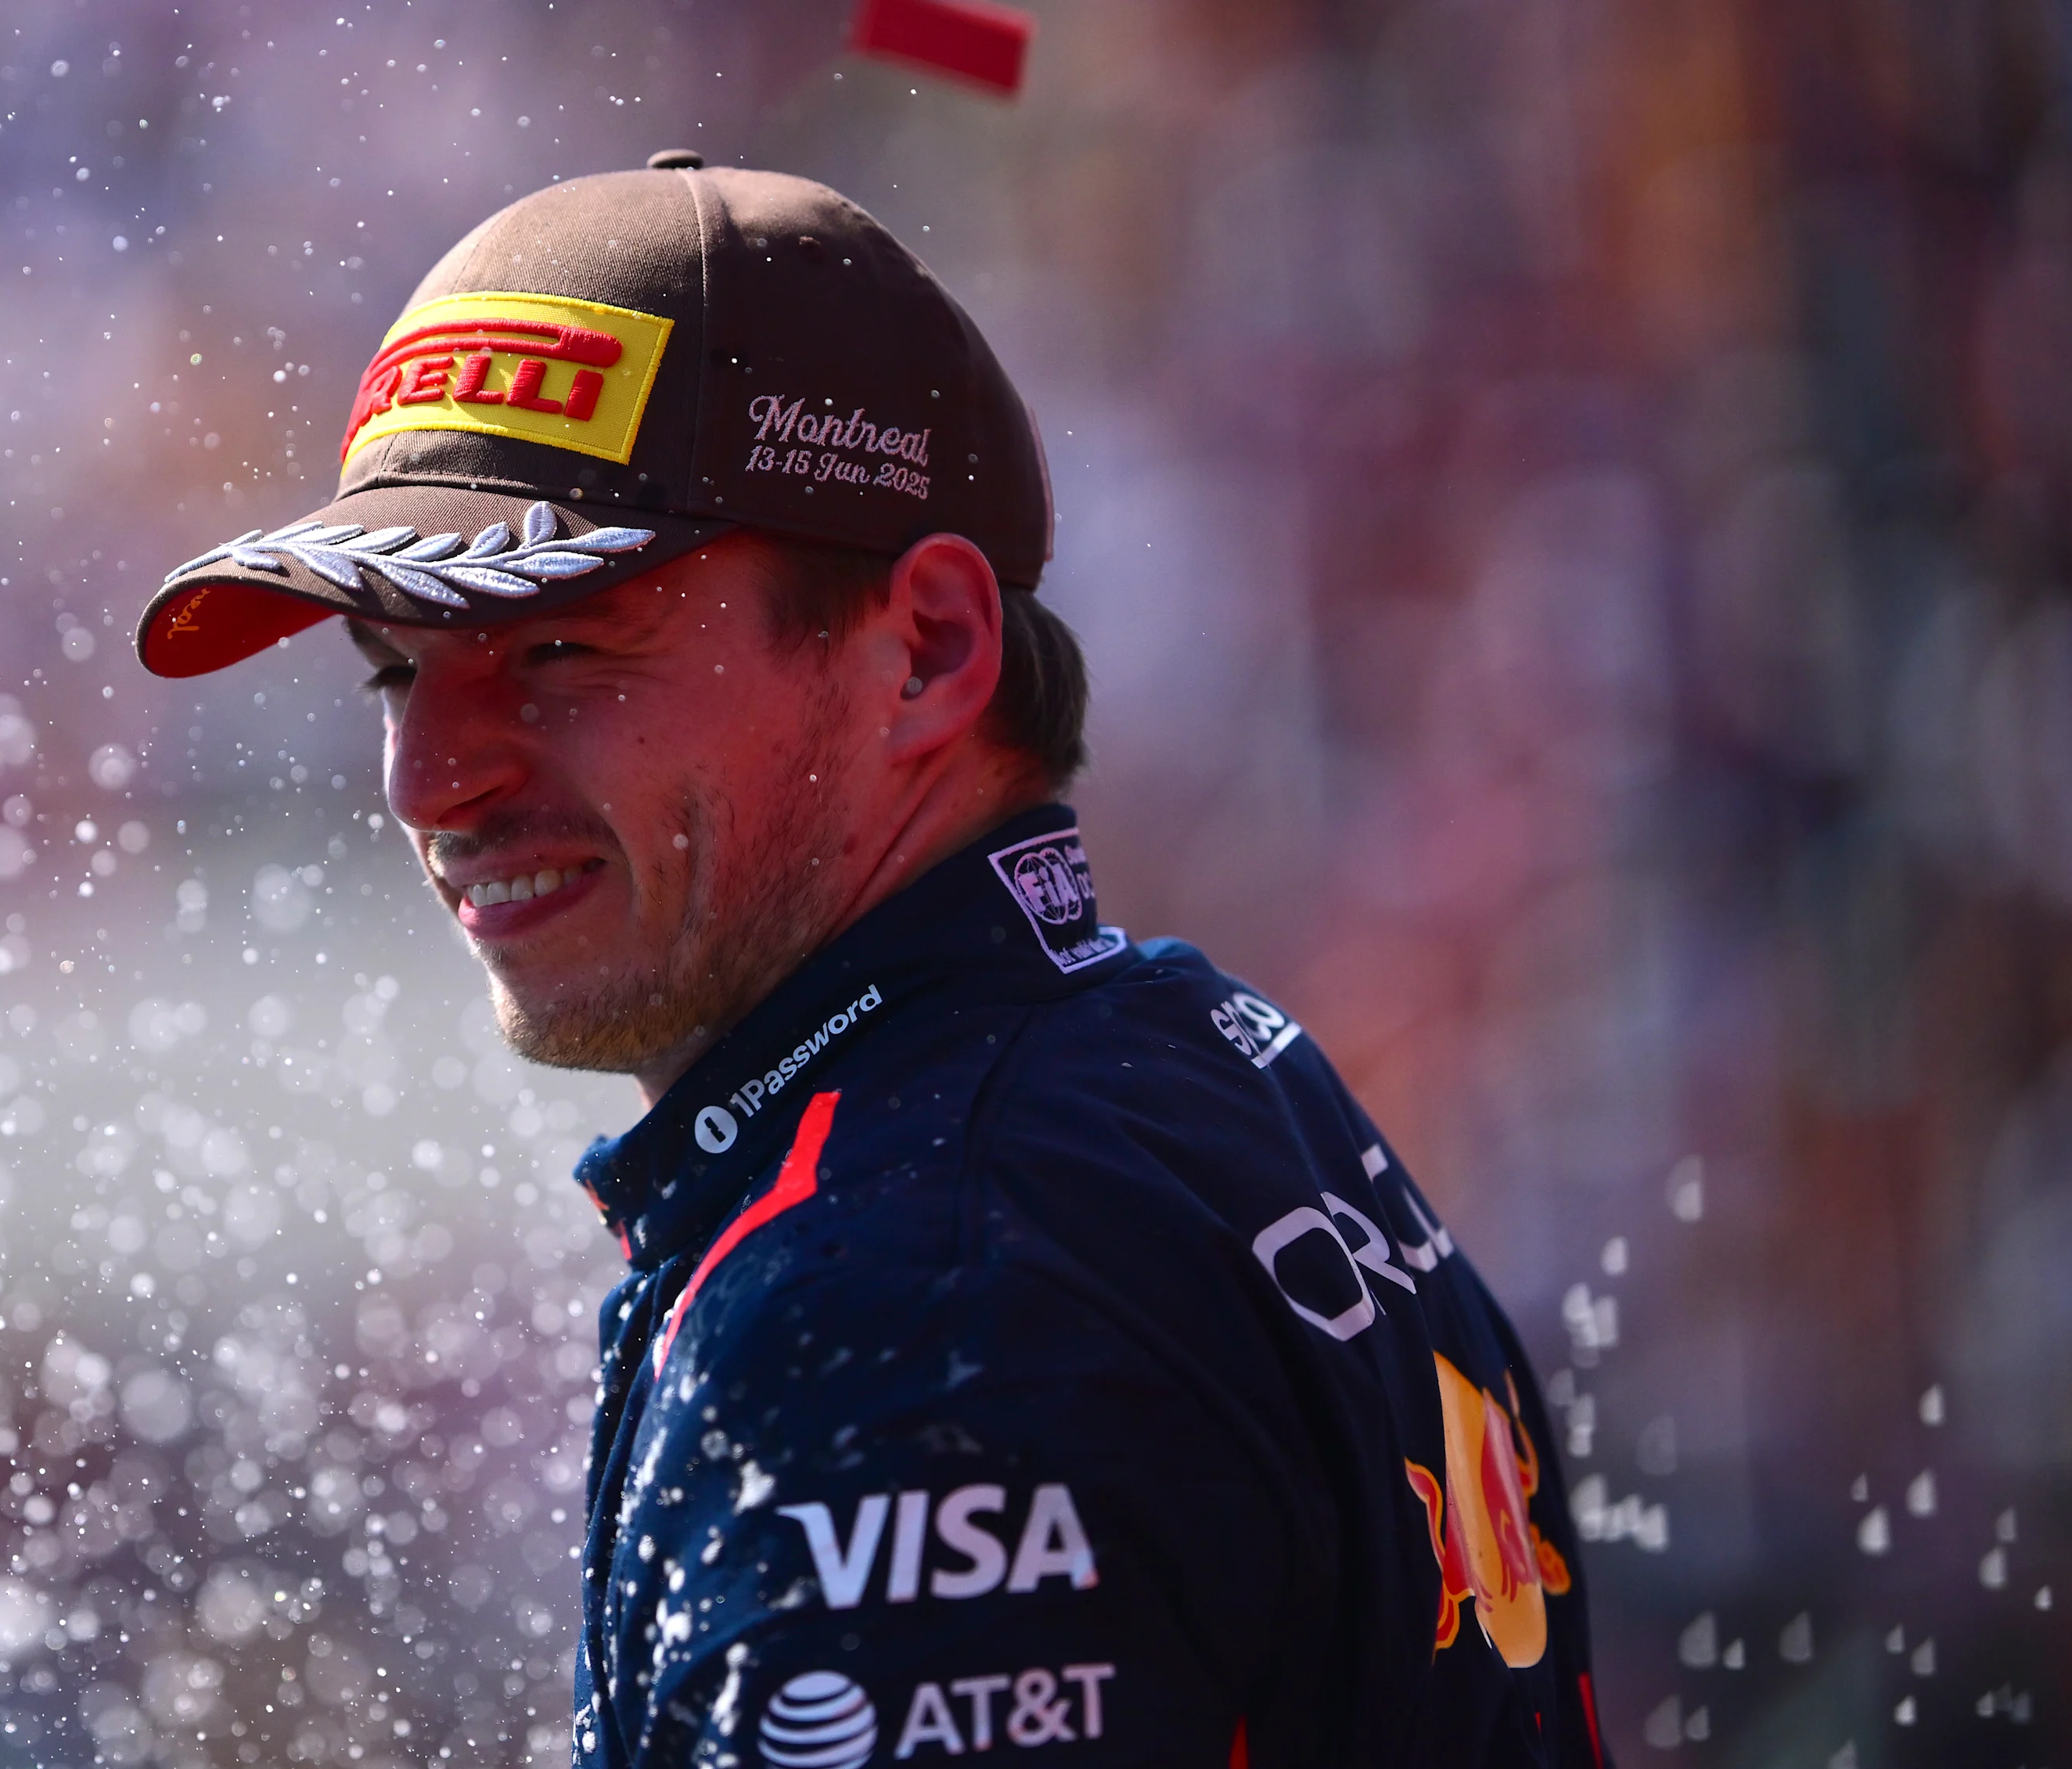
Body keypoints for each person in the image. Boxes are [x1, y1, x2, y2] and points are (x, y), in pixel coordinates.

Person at [137, 153, 1607, 1769]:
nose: (432, 782)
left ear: (928, 651)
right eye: (395, 675)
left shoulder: (901, 1290)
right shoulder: (1188, 1057)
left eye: (560, 647)